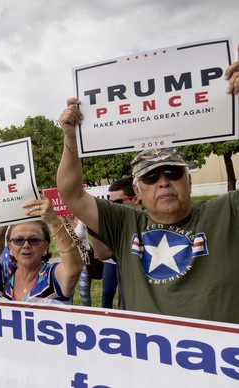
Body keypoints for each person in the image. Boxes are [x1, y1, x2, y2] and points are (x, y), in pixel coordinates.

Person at [55, 58, 239, 323]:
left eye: (173, 172)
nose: (163, 182)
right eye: (151, 177)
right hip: (150, 356)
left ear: (189, 181)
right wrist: (70, 139)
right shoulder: (125, 223)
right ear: (137, 192)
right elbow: (72, 194)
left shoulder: (226, 212)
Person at [90, 177, 142, 309]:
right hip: (129, 306)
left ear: (136, 198)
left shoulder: (151, 224)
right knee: (107, 292)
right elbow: (103, 254)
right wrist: (92, 225)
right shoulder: (117, 226)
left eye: (117, 202)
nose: (112, 208)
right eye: (110, 203)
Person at [65, 214, 92, 306]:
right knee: (69, 293)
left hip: (84, 261)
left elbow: (93, 227)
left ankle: (89, 314)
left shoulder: (81, 220)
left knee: (84, 292)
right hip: (69, 263)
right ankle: (70, 314)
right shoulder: (61, 224)